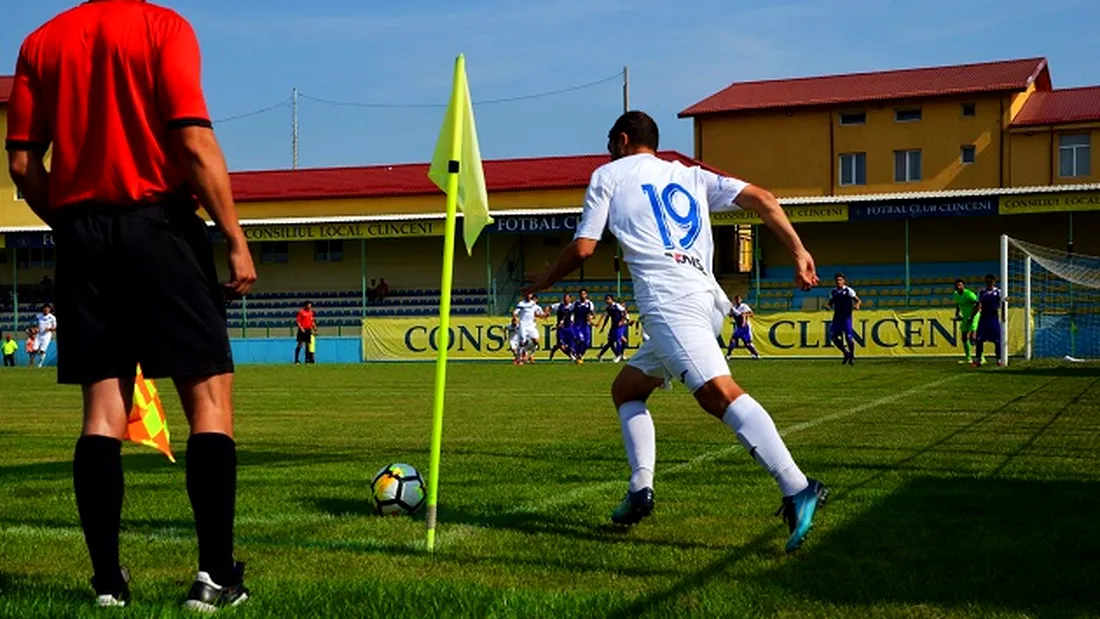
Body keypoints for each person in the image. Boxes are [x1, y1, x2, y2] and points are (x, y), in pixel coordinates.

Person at [6, 0, 257, 609]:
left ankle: (107, 584)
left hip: (83, 238)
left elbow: (22, 164)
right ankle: (215, 576)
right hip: (161, 227)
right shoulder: (164, 27)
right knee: (209, 401)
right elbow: (194, 143)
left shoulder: (40, 42)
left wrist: (70, 227)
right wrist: (235, 239)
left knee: (102, 413)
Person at [524, 111, 826, 553]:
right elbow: (763, 197)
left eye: (610, 141)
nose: (608, 149)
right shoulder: (690, 175)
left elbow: (585, 247)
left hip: (671, 303)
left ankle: (798, 486)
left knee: (717, 394)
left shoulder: (608, 175)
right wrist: (799, 250)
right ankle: (640, 489)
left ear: (623, 140)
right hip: (707, 299)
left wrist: (545, 281)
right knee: (626, 390)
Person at [825, 274, 861, 365]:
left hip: (846, 318)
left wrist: (857, 305)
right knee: (833, 337)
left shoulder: (848, 290)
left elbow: (858, 300)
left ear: (844, 281)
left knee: (848, 338)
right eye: (837, 280)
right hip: (837, 318)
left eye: (840, 280)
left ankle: (852, 356)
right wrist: (828, 306)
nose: (839, 282)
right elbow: (830, 302)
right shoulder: (833, 292)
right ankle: (846, 353)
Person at [973, 274, 1004, 367]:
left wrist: (1003, 315)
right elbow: (978, 305)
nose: (989, 283)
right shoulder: (981, 292)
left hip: (993, 318)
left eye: (991, 281)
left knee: (997, 340)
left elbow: (1003, 303)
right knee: (979, 340)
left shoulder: (998, 292)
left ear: (994, 282)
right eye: (987, 281)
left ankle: (999, 359)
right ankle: (978, 359)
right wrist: (972, 316)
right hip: (984, 318)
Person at [953, 279, 980, 364]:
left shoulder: (969, 294)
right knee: (964, 338)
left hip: (974, 315)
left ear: (963, 286)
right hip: (965, 316)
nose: (958, 287)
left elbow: (978, 304)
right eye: (957, 285)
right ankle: (969, 358)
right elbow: (958, 304)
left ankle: (981, 357)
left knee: (973, 337)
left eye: (960, 285)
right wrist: (957, 314)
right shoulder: (956, 295)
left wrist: (972, 316)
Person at [596, 295, 629, 363]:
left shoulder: (617, 306)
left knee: (618, 340)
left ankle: (618, 356)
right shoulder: (608, 308)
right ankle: (600, 355)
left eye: (608, 299)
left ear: (612, 299)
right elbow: (606, 318)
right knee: (610, 342)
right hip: (613, 326)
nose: (606, 301)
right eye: (606, 299)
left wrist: (621, 321)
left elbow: (625, 312)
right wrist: (603, 327)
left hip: (619, 326)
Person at [726, 295, 760, 360]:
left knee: (746, 342)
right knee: (744, 342)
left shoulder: (744, 306)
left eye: (738, 299)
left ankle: (728, 355)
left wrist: (744, 316)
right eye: (736, 300)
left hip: (744, 326)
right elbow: (732, 314)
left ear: (741, 300)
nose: (737, 301)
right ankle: (756, 355)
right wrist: (731, 315)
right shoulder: (735, 308)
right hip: (739, 326)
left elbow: (751, 314)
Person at [513, 292, 544, 364]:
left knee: (536, 340)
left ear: (531, 295)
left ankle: (527, 355)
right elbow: (515, 313)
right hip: (523, 325)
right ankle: (519, 358)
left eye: (530, 294)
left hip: (531, 326)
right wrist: (515, 318)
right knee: (523, 341)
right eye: (527, 294)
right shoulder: (521, 304)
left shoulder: (534, 304)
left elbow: (539, 314)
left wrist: (544, 315)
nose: (528, 296)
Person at [548, 293, 576, 362]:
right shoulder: (559, 305)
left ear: (570, 299)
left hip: (569, 327)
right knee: (561, 345)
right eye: (564, 298)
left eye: (567, 298)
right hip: (560, 328)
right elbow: (549, 307)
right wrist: (547, 312)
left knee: (570, 344)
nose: (565, 299)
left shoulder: (572, 306)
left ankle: (553, 350)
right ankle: (571, 356)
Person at [571, 289, 596, 363]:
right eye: (581, 294)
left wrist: (591, 317)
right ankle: (578, 354)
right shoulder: (576, 303)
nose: (583, 295)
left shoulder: (590, 303)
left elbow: (593, 314)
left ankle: (580, 355)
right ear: (579, 295)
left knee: (587, 343)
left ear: (586, 295)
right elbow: (570, 312)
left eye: (584, 294)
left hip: (586, 325)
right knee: (581, 340)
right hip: (577, 325)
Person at [34, 304, 58, 368]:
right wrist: (36, 328)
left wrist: (49, 329)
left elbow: (55, 327)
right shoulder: (39, 316)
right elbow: (36, 324)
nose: (46, 310)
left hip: (47, 336)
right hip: (39, 335)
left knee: (42, 350)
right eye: (45, 309)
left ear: (49, 310)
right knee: (35, 349)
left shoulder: (52, 317)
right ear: (43, 309)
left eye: (47, 309)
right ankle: (42, 355)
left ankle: (40, 363)